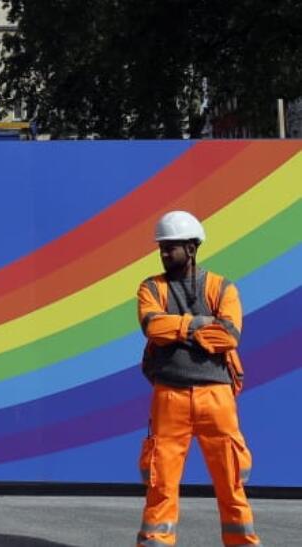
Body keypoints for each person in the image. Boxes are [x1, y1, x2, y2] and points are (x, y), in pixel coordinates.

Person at [136, 211, 259, 546]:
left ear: (191, 249)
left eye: (170, 248)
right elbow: (152, 327)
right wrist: (198, 325)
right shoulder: (151, 288)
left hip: (216, 397)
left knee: (232, 485)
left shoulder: (223, 288)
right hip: (169, 397)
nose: (163, 254)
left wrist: (176, 328)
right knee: (160, 488)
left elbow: (229, 336)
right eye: (161, 247)